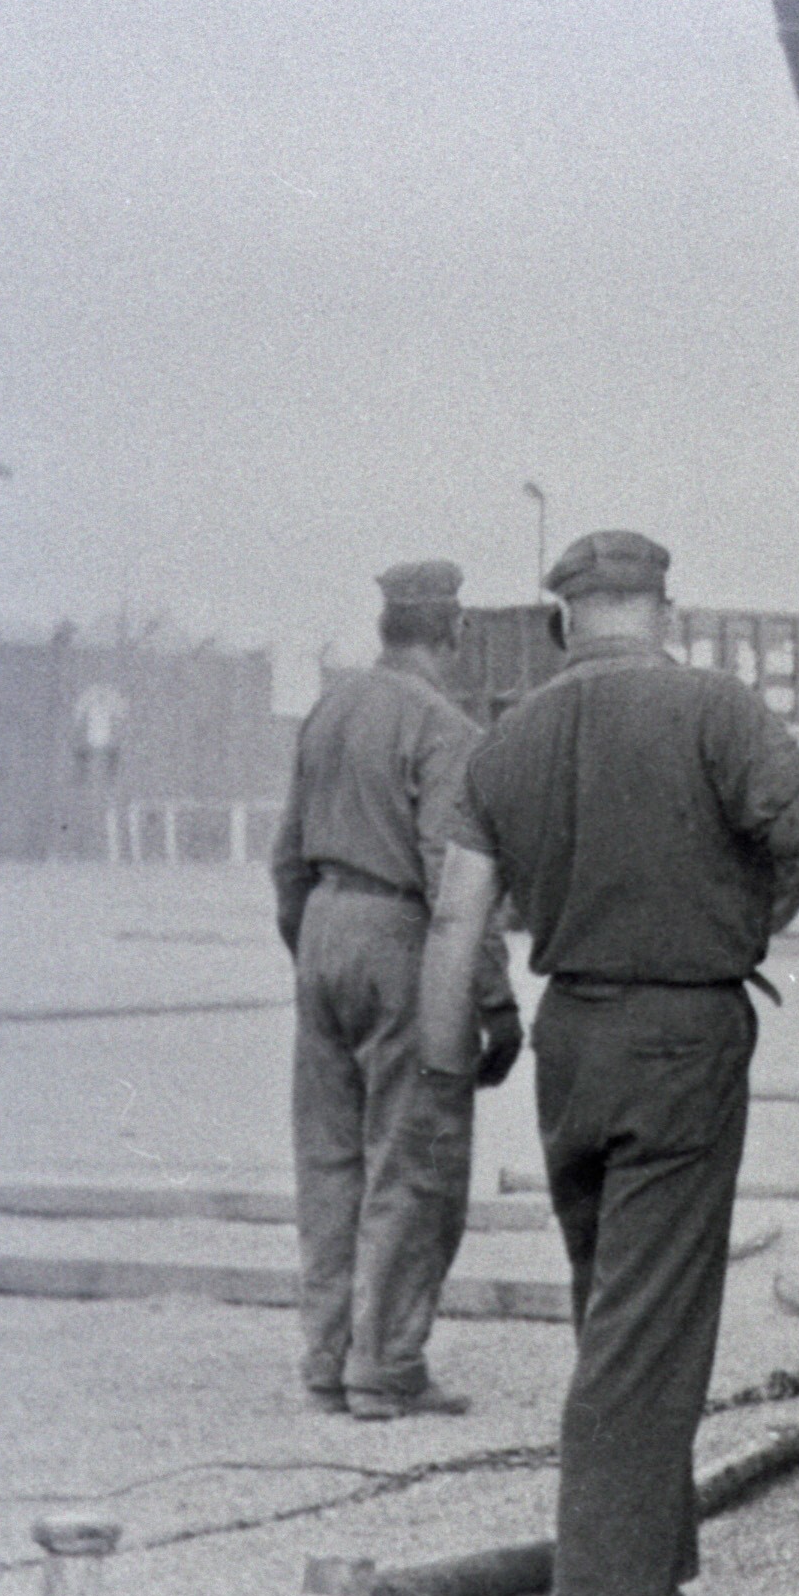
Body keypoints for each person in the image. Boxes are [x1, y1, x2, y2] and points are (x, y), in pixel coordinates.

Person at [416, 529, 799, 1596]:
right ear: (662, 609)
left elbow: (451, 926)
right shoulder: (714, 710)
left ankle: (651, 1564)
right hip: (679, 1039)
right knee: (651, 1321)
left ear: (563, 620)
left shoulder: (504, 742)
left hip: (571, 1035)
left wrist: (445, 1070)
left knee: (617, 1311)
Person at [268, 560, 520, 1420]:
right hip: (404, 939)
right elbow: (456, 878)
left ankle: (326, 1358)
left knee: (330, 1161)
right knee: (414, 1159)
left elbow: (285, 857)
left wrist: (311, 946)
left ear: (386, 628)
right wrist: (493, 999)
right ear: (451, 633)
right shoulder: (445, 727)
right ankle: (388, 1365)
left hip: (325, 927)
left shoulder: (329, 707)